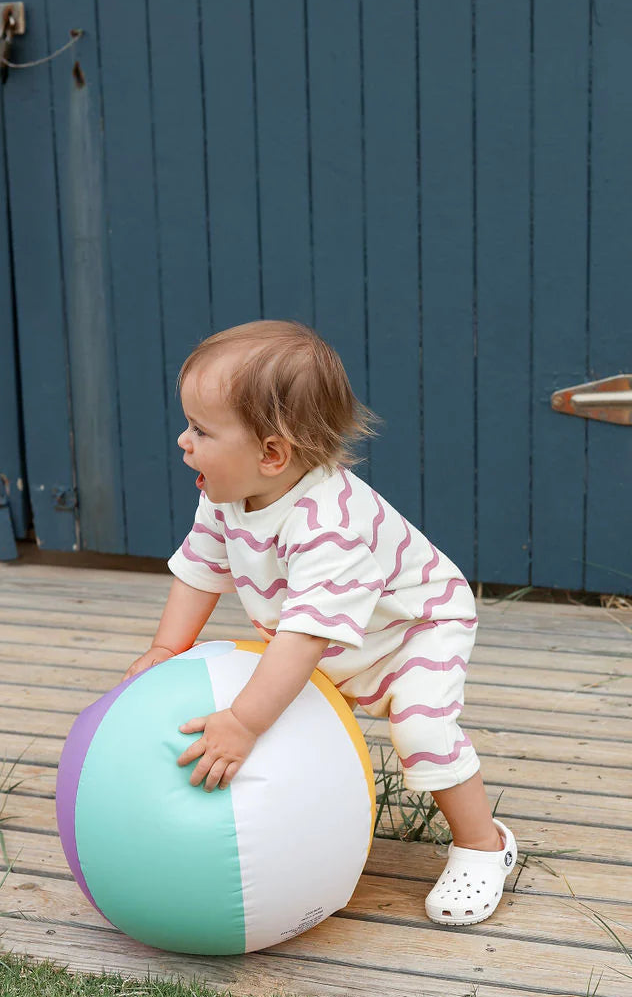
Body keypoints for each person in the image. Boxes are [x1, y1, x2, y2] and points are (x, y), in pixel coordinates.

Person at [124, 319, 518, 928]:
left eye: (201, 430)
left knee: (421, 730)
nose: (183, 440)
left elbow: (306, 636)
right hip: (328, 633)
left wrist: (244, 723)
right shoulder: (225, 491)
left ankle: (483, 845)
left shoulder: (328, 524)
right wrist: (165, 647)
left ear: (272, 453)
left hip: (413, 628)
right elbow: (202, 565)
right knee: (285, 703)